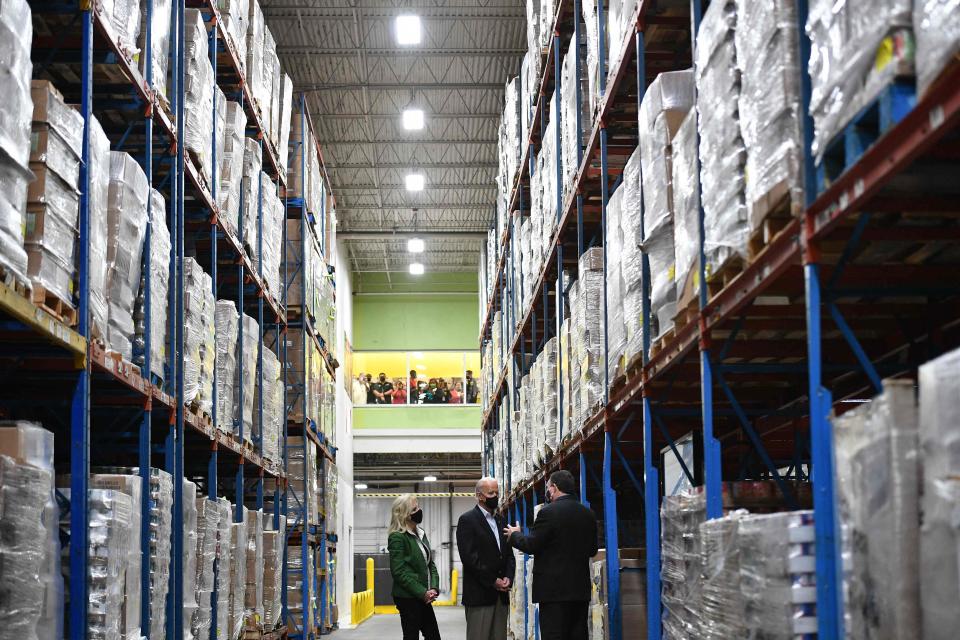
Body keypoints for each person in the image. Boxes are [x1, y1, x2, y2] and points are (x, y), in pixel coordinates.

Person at [503, 470, 598, 640]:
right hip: (579, 592)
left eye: (548, 487)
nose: (547, 491)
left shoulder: (548, 513)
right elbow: (592, 550)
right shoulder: (588, 514)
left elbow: (532, 545)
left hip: (554, 593)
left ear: (554, 488)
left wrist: (515, 535)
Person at [457, 478, 515, 640]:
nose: (495, 496)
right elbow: (469, 558)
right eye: (491, 493)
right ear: (479, 496)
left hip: (501, 595)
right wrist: (493, 580)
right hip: (480, 595)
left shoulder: (501, 520)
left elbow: (509, 554)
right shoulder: (467, 520)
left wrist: (508, 578)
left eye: (497, 492)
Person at [387, 494, 441, 640]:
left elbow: (430, 563)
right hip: (407, 598)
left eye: (418, 506)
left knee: (433, 636)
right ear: (405, 514)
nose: (419, 510)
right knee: (411, 636)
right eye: (415, 509)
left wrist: (434, 588)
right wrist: (422, 592)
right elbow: (398, 572)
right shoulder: (397, 537)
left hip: (423, 596)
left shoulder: (420, 533)